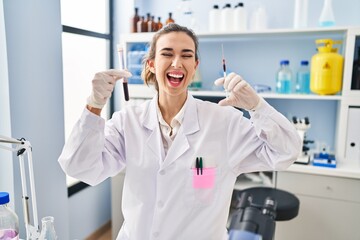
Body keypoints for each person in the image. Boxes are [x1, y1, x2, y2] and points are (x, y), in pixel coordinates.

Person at [58, 23, 301, 240]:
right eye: (167, 54)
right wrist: (94, 106)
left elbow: (286, 152)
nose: (177, 63)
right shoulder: (128, 121)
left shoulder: (224, 122)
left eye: (186, 55)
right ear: (152, 64)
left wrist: (257, 107)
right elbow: (80, 166)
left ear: (195, 66)